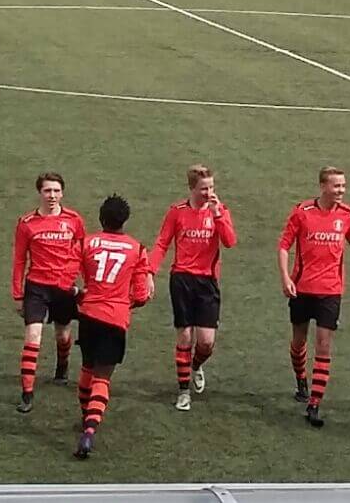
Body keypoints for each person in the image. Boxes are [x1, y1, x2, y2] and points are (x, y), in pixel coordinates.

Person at [277, 166, 350, 428]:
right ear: (322, 186)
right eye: (336, 185)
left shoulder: (348, 214)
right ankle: (301, 380)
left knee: (324, 345)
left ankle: (314, 404)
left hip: (330, 290)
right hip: (302, 288)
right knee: (298, 341)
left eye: (343, 186)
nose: (341, 190)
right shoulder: (302, 212)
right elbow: (284, 246)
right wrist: (285, 278)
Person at [73, 195, 155, 460]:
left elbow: (68, 274)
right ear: (125, 220)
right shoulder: (137, 249)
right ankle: (89, 431)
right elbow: (141, 295)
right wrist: (125, 303)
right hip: (115, 318)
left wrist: (80, 294)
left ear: (101, 218)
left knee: (87, 367)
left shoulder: (86, 243)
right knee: (102, 377)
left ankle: (85, 416)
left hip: (89, 314)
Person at [151, 164, 237, 413]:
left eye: (211, 187)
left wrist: (218, 215)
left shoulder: (219, 211)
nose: (209, 193)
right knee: (185, 336)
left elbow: (230, 242)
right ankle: (183, 392)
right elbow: (162, 243)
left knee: (206, 342)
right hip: (182, 280)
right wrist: (149, 272)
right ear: (191, 188)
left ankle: (196, 365)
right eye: (204, 188)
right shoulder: (177, 212)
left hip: (207, 282)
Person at [12, 172, 86, 414]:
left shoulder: (74, 220)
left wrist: (87, 287)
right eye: (47, 191)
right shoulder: (26, 223)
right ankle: (27, 392)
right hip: (36, 288)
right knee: (32, 337)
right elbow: (19, 260)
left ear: (62, 193)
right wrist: (17, 295)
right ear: (40, 193)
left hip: (64, 288)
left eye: (56, 191)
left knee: (63, 336)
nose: (52, 195)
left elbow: (83, 255)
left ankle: (62, 366)